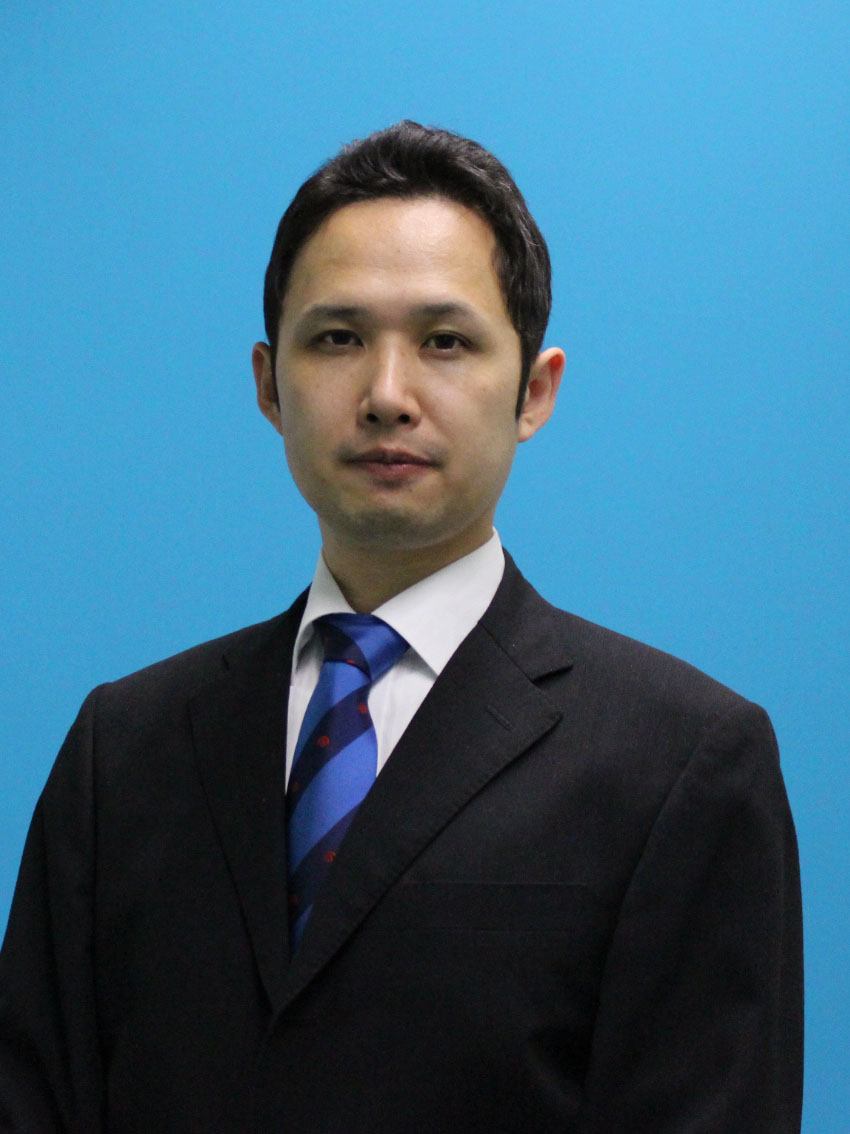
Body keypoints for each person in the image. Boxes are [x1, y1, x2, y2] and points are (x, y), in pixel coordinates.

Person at [0, 121, 803, 1132]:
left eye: (445, 342)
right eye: (337, 339)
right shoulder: (121, 752)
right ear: (268, 385)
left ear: (535, 391)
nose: (387, 396)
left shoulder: (682, 762)